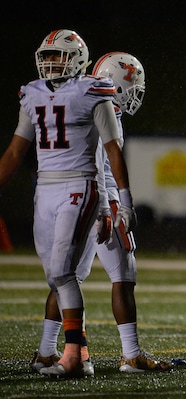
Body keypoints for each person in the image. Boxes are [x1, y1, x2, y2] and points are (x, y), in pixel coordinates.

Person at [0, 29, 137, 378]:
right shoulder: (31, 93)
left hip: (80, 185)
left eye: (57, 56)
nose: (50, 63)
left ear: (77, 58)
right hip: (45, 188)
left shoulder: (93, 91)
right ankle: (59, 352)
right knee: (55, 275)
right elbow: (16, 150)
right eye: (45, 57)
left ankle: (75, 355)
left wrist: (121, 200)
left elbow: (112, 151)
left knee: (63, 272)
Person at [30, 51, 171, 375]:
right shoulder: (101, 106)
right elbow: (106, 163)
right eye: (132, 84)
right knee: (123, 277)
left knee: (66, 279)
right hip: (100, 201)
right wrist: (116, 204)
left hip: (71, 198)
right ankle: (131, 355)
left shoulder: (75, 101)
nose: (136, 91)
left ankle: (47, 351)